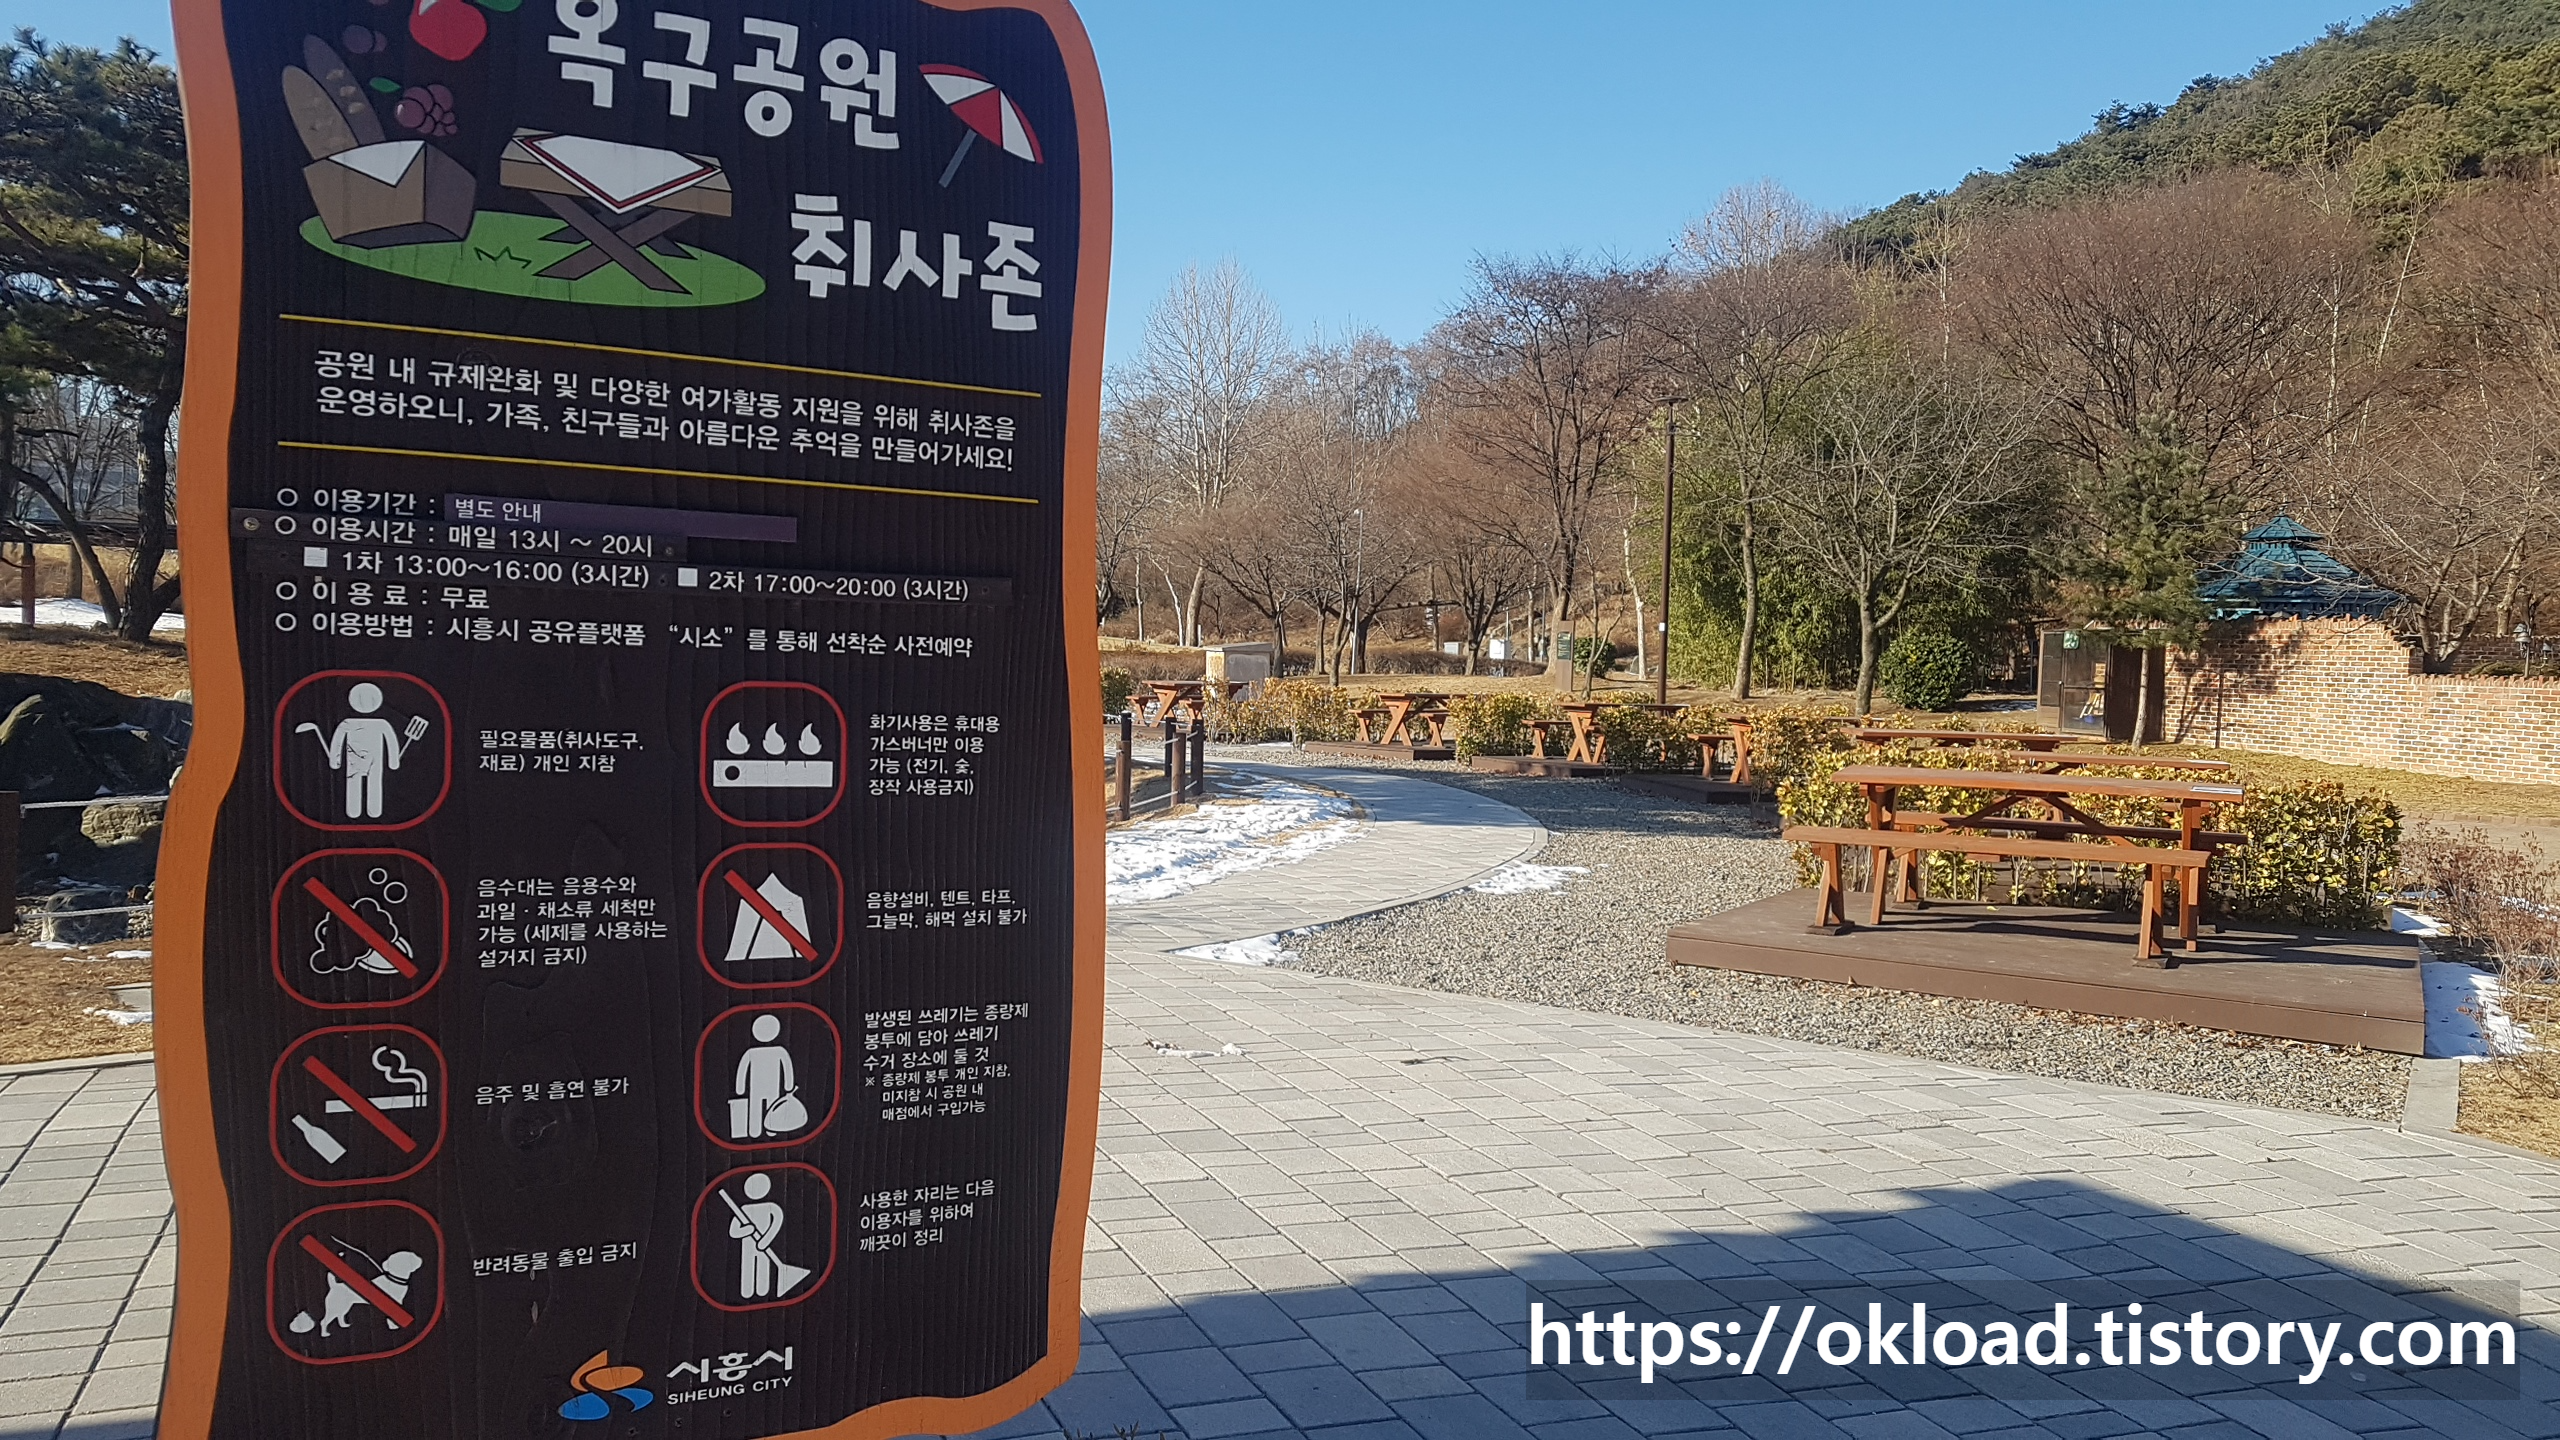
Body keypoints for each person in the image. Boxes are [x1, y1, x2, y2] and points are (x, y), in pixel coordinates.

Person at [298, 682, 421, 820]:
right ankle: (358, 811)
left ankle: (369, 811)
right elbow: (339, 741)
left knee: (368, 783)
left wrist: (335, 761)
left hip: (367, 760)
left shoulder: (373, 724)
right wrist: (393, 762)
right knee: (360, 783)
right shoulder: (355, 724)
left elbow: (391, 741)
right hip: (359, 760)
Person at [730, 1014, 804, 1139]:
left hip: (766, 1086)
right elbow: (743, 1069)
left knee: (768, 1106)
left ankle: (761, 1129)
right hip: (763, 1086)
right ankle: (759, 1129)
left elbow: (786, 1066)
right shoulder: (766, 1052)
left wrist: (740, 1088)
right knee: (763, 1106)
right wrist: (788, 1085)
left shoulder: (773, 1051)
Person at [730, 1173, 787, 1298]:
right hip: (748, 1245)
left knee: (763, 1265)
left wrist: (766, 1240)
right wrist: (747, 1230)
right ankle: (747, 1292)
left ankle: (762, 1290)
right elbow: (733, 1232)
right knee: (747, 1266)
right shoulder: (744, 1209)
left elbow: (777, 1222)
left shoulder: (771, 1207)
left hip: (763, 1244)